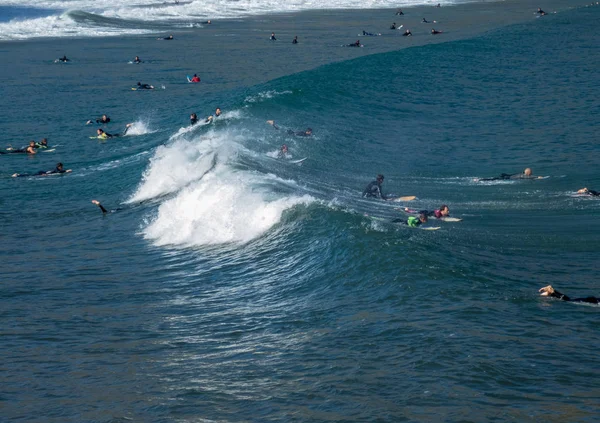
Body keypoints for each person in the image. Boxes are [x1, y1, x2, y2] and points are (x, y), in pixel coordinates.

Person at [476, 168, 541, 181]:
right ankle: (480, 180)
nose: (532, 173)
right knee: (493, 179)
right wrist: (538, 177)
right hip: (507, 178)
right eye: (531, 172)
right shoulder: (524, 175)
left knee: (494, 178)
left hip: (507, 175)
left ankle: (480, 179)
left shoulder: (522, 173)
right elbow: (529, 177)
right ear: (528, 173)